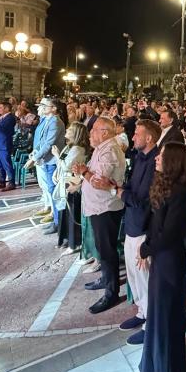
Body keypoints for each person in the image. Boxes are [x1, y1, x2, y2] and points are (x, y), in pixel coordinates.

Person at [136, 142, 186, 372]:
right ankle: (154, 368)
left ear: (173, 161)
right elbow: (156, 224)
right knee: (158, 314)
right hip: (162, 257)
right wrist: (148, 246)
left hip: (170, 260)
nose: (157, 159)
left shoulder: (181, 192)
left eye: (162, 156)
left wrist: (147, 249)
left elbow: (170, 233)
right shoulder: (167, 186)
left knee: (165, 317)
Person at [113, 119, 161, 344]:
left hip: (144, 227)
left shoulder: (156, 163)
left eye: (137, 134)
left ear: (149, 138)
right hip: (132, 222)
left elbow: (145, 202)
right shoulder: (140, 158)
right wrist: (120, 188)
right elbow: (132, 187)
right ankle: (142, 312)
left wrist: (116, 191)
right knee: (133, 275)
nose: (133, 137)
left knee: (145, 278)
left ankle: (152, 322)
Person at [77, 116, 127, 314]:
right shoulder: (102, 148)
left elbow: (100, 181)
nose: (90, 133)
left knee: (107, 250)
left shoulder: (111, 150)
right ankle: (106, 279)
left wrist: (84, 172)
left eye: (94, 130)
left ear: (105, 132)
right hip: (97, 205)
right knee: (101, 247)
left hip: (106, 207)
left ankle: (111, 292)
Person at [25, 98, 66, 225]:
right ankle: (54, 217)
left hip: (52, 160)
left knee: (53, 190)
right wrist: (35, 152)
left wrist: (34, 158)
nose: (42, 107)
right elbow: (41, 140)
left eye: (45, 105)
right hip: (45, 159)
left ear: (54, 108)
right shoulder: (47, 119)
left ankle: (56, 220)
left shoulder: (55, 122)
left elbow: (48, 143)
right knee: (48, 188)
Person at [50, 121, 88, 249]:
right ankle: (65, 239)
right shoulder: (69, 146)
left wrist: (56, 155)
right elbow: (62, 163)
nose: (67, 130)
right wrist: (56, 173)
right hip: (64, 181)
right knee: (64, 213)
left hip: (71, 183)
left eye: (70, 129)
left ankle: (73, 243)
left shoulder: (78, 149)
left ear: (76, 133)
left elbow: (67, 166)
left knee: (70, 212)